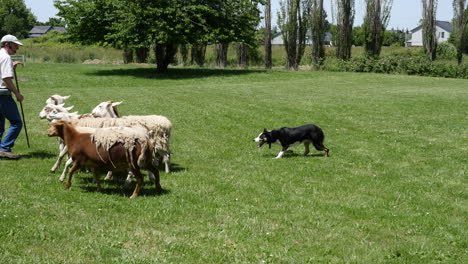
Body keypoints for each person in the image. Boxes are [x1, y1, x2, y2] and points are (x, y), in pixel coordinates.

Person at [0, 34, 24, 159]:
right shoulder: (5, 57)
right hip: (3, 94)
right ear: (7, 44)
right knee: (16, 122)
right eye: (15, 45)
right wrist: (17, 93)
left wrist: (11, 67)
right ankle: (3, 148)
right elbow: (6, 78)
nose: (17, 48)